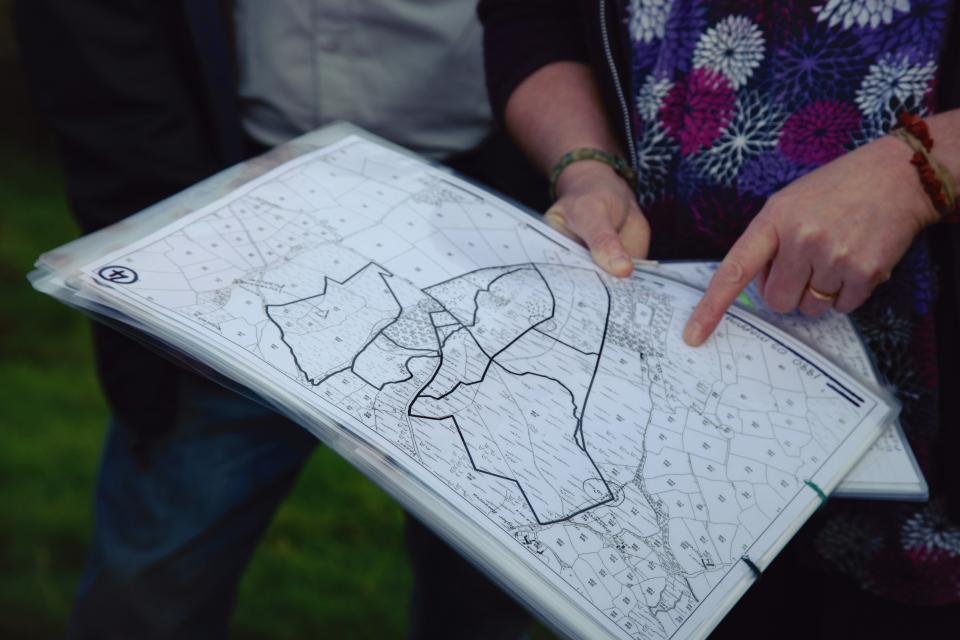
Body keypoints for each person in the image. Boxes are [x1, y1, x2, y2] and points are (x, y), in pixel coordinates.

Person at [15, 1, 543, 638]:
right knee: (158, 570)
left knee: (494, 577)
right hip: (234, 199)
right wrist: (169, 228)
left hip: (485, 203)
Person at [479, 0, 960, 637]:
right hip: (679, 438)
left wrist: (918, 172)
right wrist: (588, 166)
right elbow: (531, 18)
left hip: (928, 442)